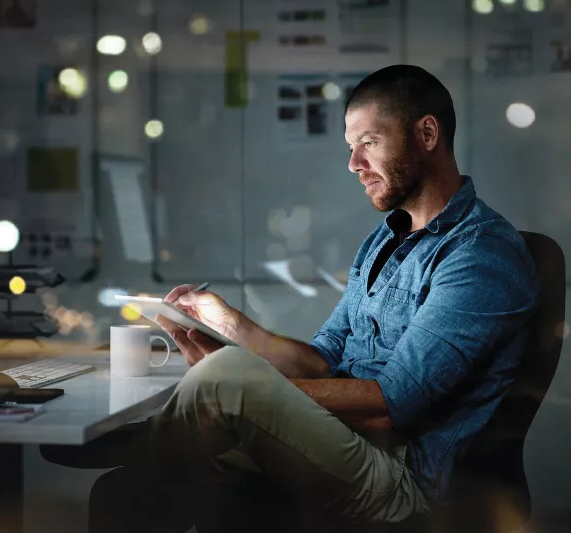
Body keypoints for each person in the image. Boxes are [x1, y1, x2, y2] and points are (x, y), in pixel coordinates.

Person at [41, 65, 539, 532]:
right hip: (344, 443)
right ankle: (164, 434)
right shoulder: (384, 241)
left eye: (368, 142)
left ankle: (147, 438)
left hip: (404, 478)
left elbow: (391, 407)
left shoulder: (481, 255)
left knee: (224, 383)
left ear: (427, 135)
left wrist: (242, 392)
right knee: (121, 491)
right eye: (350, 146)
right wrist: (230, 330)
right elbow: (319, 364)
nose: (353, 164)